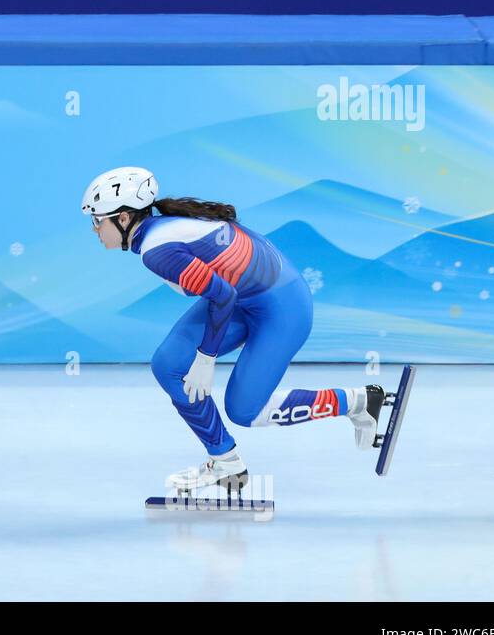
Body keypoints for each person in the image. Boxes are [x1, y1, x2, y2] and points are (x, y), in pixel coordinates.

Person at [81, 166, 387, 494]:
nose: (95, 230)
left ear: (124, 218)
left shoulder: (158, 249)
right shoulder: (162, 229)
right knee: (168, 364)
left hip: (282, 309)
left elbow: (223, 295)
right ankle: (225, 462)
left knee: (245, 411)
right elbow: (225, 289)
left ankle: (356, 402)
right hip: (248, 296)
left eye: (98, 220)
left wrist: (205, 357)